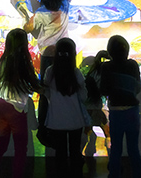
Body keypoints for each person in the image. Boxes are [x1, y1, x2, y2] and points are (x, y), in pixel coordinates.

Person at [20, 0, 72, 143]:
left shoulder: (40, 13)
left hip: (47, 57)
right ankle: (65, 121)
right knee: (65, 87)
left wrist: (26, 17)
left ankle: (44, 127)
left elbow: (27, 29)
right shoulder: (65, 6)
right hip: (65, 54)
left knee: (46, 90)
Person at [0, 28, 41, 178]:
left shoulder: (4, 59)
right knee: (21, 148)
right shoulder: (24, 61)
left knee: (1, 145)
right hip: (17, 108)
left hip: (2, 105)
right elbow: (34, 84)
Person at [43, 37, 88, 178]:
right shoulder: (76, 73)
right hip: (75, 120)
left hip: (56, 120)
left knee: (60, 153)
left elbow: (46, 93)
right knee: (75, 152)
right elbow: (83, 97)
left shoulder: (50, 72)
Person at [99, 35, 141, 178]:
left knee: (116, 148)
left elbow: (104, 90)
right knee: (133, 149)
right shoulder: (133, 65)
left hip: (116, 112)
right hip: (133, 111)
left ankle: (114, 175)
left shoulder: (106, 67)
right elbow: (138, 87)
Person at [80, 50, 111, 156]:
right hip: (96, 107)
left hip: (86, 107)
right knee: (107, 133)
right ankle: (111, 155)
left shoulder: (84, 72)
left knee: (87, 131)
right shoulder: (101, 73)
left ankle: (79, 154)